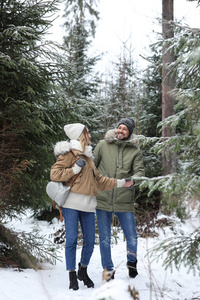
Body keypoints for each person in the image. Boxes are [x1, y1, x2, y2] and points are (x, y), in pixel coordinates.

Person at [50, 123, 129, 291]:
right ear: (81, 135)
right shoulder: (69, 154)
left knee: (90, 242)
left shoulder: (89, 158)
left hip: (88, 206)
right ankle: (72, 275)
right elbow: (54, 174)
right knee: (71, 240)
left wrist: (121, 182)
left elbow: (100, 181)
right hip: (71, 204)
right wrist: (75, 168)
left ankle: (82, 270)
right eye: (88, 133)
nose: (90, 136)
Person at [94, 117, 145, 280]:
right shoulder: (103, 145)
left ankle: (131, 263)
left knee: (131, 237)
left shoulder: (134, 150)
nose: (121, 131)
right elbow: (92, 166)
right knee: (104, 238)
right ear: (116, 129)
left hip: (124, 199)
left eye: (125, 129)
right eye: (120, 127)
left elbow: (140, 172)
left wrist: (133, 180)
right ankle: (108, 269)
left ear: (129, 133)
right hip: (103, 198)